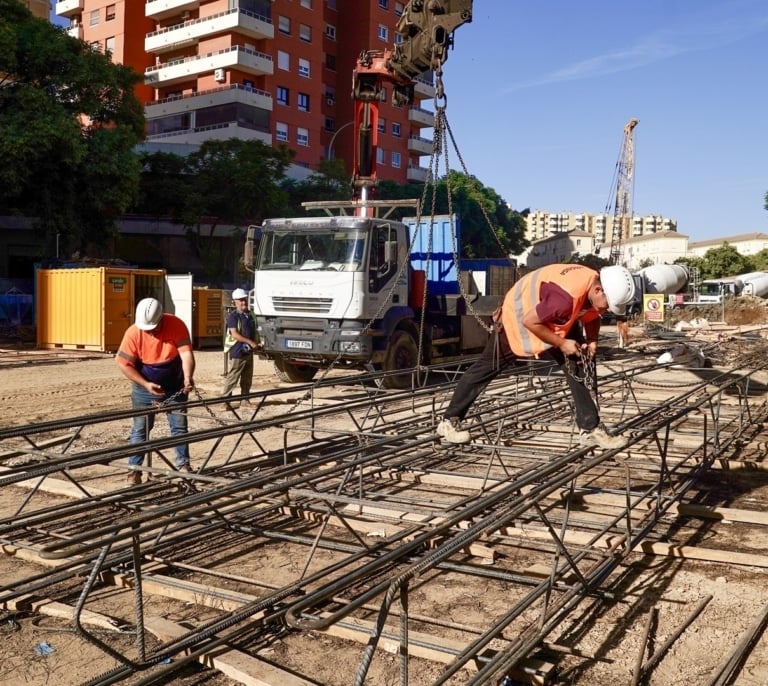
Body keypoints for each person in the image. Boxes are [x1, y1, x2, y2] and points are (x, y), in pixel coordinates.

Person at [436, 264, 636, 448]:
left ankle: (590, 428)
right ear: (598, 290)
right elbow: (530, 321)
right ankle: (448, 422)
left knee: (579, 362)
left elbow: (593, 314)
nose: (607, 309)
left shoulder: (593, 283)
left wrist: (592, 339)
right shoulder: (565, 298)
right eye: (608, 304)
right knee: (486, 368)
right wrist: (561, 343)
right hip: (518, 318)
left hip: (549, 317)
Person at [116, 297, 196, 484]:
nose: (150, 332)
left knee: (179, 427)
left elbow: (186, 354)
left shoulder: (176, 325)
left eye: (153, 327)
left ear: (161, 319)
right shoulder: (133, 333)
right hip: (144, 387)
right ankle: (134, 471)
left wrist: (187, 377)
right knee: (140, 429)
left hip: (175, 386)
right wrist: (145, 384)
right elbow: (123, 364)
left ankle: (183, 466)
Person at [222, 288, 259, 404]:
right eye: (241, 300)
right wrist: (250, 342)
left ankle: (245, 400)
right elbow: (234, 334)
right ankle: (225, 401)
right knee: (233, 377)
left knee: (247, 378)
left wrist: (257, 343)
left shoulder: (251, 315)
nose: (244, 302)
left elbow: (255, 331)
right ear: (235, 302)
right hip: (238, 351)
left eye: (244, 299)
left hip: (248, 351)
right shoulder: (233, 316)